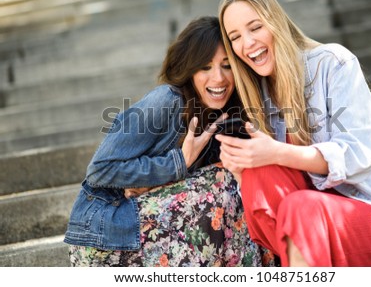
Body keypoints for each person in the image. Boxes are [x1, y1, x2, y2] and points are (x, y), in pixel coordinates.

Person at [216, 0, 371, 267]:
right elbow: (264, 208)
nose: (247, 43)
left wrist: (277, 152)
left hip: (368, 215)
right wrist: (242, 171)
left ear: (275, 22)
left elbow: (358, 155)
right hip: (305, 229)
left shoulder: (333, 63)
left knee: (299, 206)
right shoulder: (256, 95)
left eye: (255, 27)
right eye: (235, 37)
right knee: (258, 174)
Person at [63, 16, 277, 267]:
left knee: (240, 184)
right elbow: (99, 170)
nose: (218, 78)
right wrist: (179, 162)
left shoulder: (225, 116)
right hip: (107, 235)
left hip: (150, 227)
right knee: (222, 182)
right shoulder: (166, 100)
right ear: (189, 69)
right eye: (205, 67)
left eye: (227, 65)